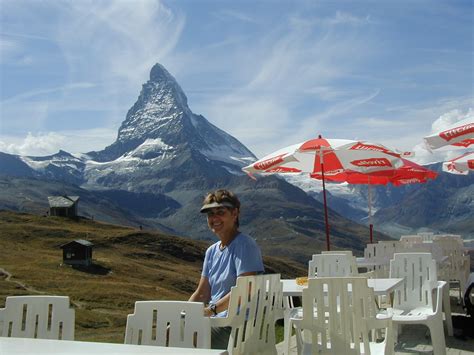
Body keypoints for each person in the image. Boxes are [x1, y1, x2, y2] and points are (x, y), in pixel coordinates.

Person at [188, 189, 264, 349]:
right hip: (216, 319)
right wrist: (184, 314)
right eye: (210, 214)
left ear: (234, 214)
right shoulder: (211, 251)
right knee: (170, 332)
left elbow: (245, 289)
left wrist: (210, 311)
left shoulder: (245, 245)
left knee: (185, 339)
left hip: (238, 323)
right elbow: (202, 293)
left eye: (220, 212)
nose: (214, 218)